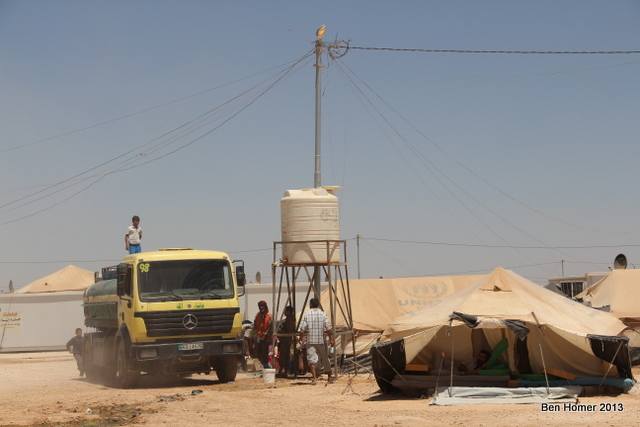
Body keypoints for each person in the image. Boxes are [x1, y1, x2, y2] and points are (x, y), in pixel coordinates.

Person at [299, 298, 334, 384]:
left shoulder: (307, 314)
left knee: (311, 360)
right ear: (318, 305)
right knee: (325, 358)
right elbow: (328, 328)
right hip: (321, 340)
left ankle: (314, 378)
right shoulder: (323, 314)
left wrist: (300, 338)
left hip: (310, 341)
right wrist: (331, 338)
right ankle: (329, 377)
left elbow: (302, 328)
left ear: (310, 305)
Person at [277, 305, 296, 378]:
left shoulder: (289, 320)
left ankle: (282, 371)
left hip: (285, 340)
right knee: (285, 356)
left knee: (283, 356)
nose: (284, 312)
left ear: (289, 312)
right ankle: (284, 371)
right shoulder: (290, 319)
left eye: (285, 311)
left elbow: (288, 330)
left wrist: (280, 331)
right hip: (286, 339)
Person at [253, 300, 273, 369]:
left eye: (262, 306)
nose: (261, 308)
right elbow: (255, 325)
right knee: (258, 354)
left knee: (265, 355)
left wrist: (266, 336)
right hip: (259, 338)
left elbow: (271, 328)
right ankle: (266, 366)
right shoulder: (258, 315)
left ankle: (268, 368)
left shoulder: (270, 316)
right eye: (260, 306)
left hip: (267, 339)